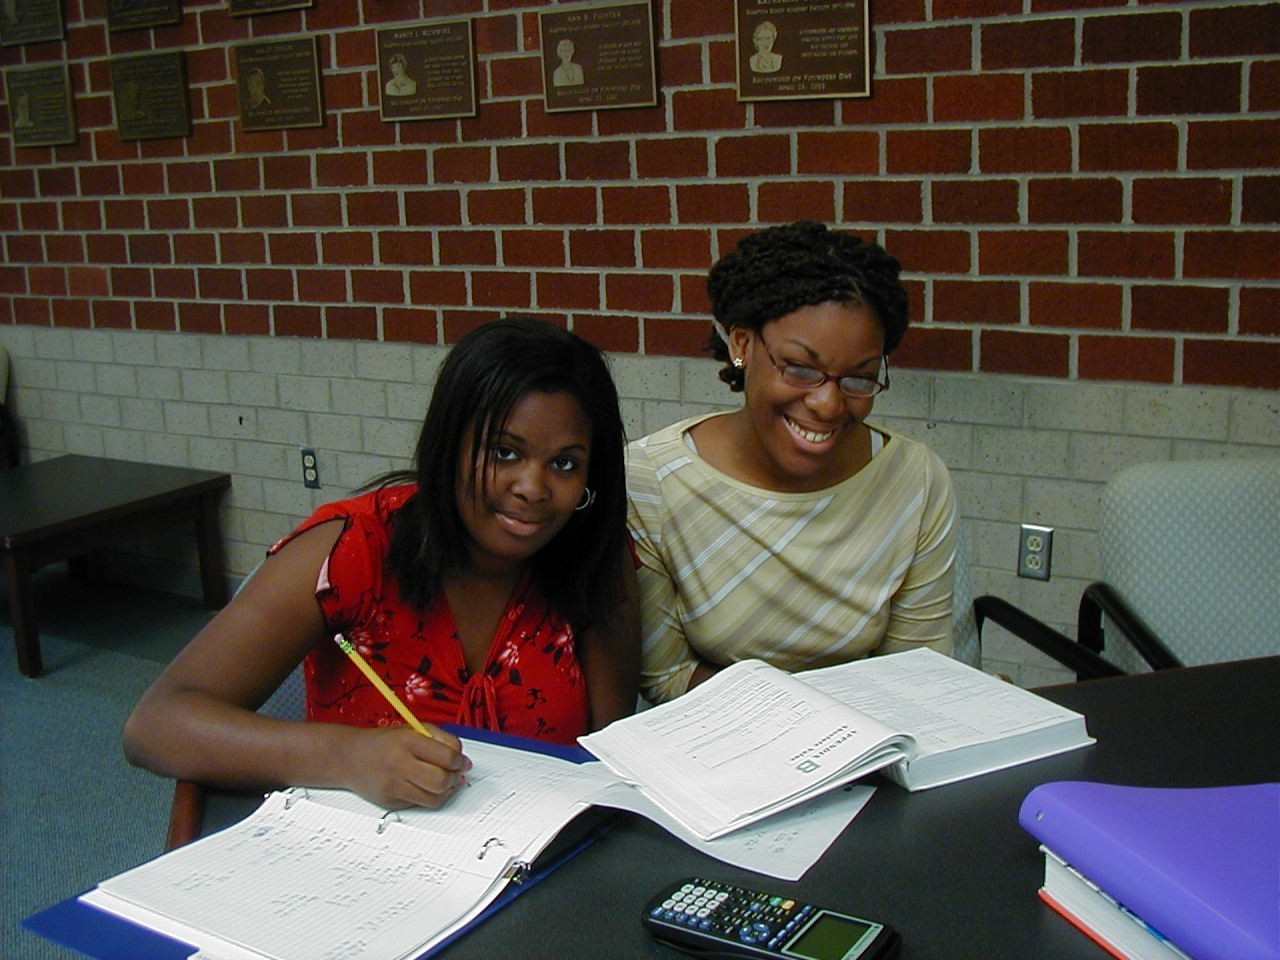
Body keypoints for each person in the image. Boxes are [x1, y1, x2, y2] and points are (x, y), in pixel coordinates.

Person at [124, 317, 639, 810]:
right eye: (504, 453)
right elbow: (156, 725)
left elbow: (606, 755)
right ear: (448, 445)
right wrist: (345, 756)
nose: (532, 488)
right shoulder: (357, 549)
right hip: (369, 864)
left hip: (530, 861)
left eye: (565, 463)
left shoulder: (592, 550)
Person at [627, 221, 956, 704]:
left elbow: (917, 675)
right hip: (717, 747)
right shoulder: (650, 481)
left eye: (860, 378)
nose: (827, 404)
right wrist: (803, 724)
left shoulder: (915, 481)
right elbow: (668, 677)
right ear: (742, 344)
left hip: (872, 753)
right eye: (801, 369)